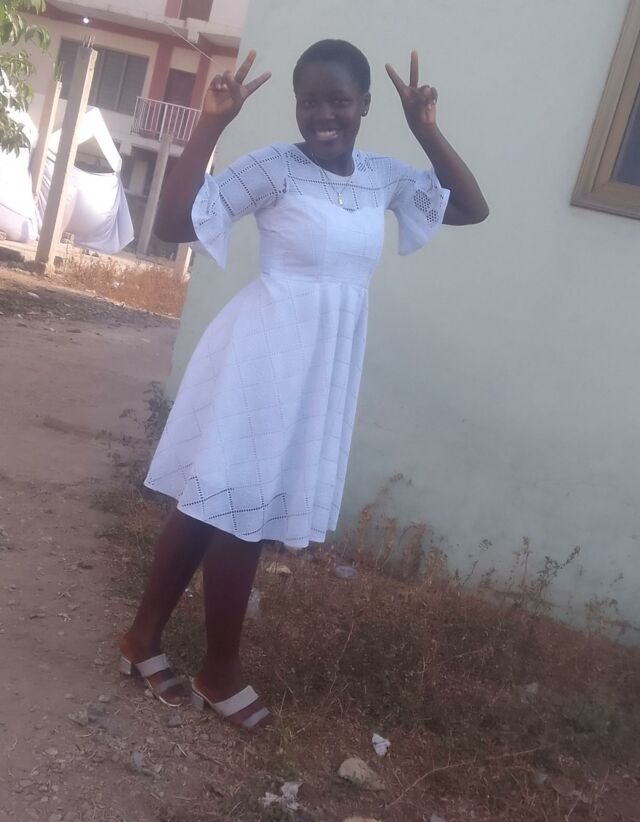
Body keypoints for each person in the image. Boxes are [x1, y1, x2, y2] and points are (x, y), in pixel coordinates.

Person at [119, 40, 488, 730]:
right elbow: (171, 224)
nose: (323, 114)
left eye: (338, 101)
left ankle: (141, 639)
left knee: (215, 500)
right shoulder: (274, 169)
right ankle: (218, 670)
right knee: (241, 505)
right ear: (296, 105)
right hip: (263, 351)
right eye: (310, 100)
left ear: (364, 106)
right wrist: (212, 124)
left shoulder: (381, 176)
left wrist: (426, 131)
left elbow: (470, 207)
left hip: (321, 362)